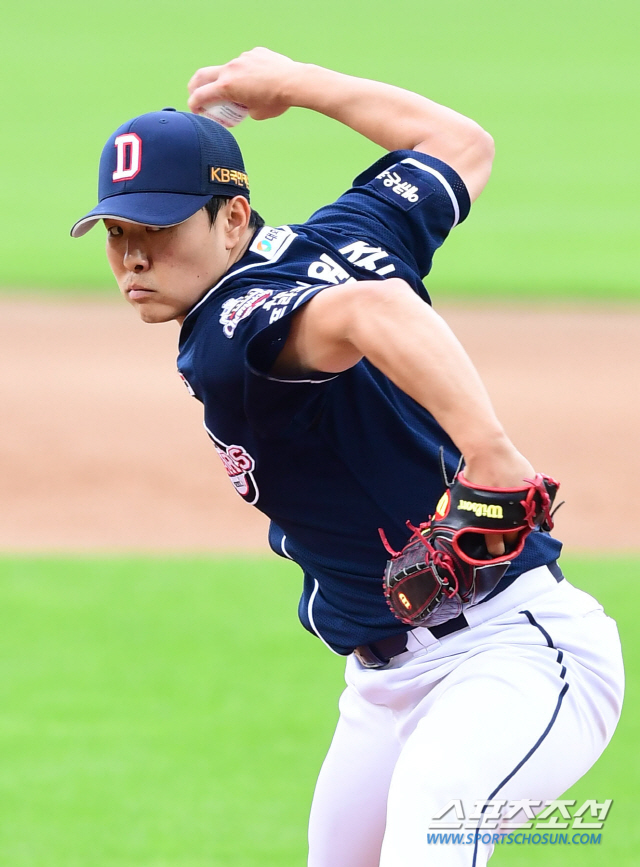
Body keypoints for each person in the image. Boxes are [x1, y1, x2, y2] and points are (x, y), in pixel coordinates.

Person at [72, 47, 624, 867]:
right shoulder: (345, 234)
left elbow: (374, 308)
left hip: (515, 655)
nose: (133, 258)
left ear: (233, 219)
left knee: (430, 844)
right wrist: (296, 84)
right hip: (382, 687)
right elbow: (459, 144)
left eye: (158, 229)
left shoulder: (228, 337)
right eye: (118, 233)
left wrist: (492, 455)